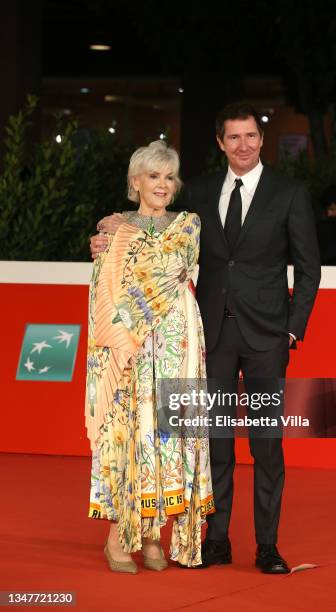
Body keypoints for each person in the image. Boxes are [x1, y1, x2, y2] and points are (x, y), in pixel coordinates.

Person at [91, 102, 321, 574]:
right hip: (208, 338)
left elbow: (309, 267)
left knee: (266, 444)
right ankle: (215, 541)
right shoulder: (195, 191)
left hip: (265, 339)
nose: (243, 145)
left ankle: (267, 546)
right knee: (211, 441)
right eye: (233, 137)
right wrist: (104, 228)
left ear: (261, 139)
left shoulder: (290, 193)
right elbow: (150, 224)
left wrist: (292, 328)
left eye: (251, 136)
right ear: (220, 142)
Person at [85, 140, 214, 574]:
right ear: (135, 181)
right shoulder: (115, 232)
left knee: (171, 436)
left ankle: (155, 535)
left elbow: (180, 270)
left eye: (168, 177)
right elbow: (105, 292)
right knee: (137, 432)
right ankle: (119, 535)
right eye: (153, 176)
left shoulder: (188, 225)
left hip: (180, 339)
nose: (162, 185)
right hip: (134, 345)